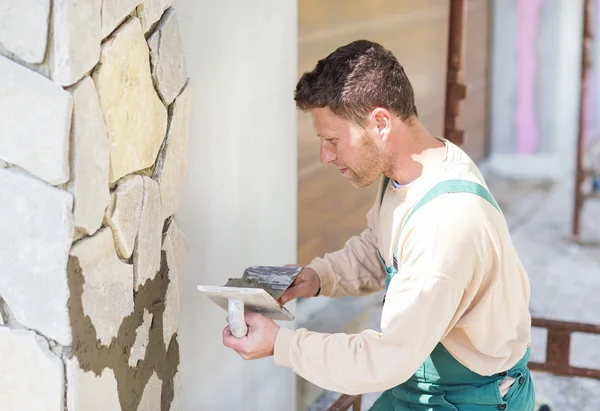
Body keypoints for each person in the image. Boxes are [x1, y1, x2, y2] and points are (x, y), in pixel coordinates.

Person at [222, 39, 535, 410]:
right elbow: (381, 246)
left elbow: (386, 359)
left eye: (332, 140)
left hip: (470, 399)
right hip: (419, 377)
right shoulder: (411, 170)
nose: (324, 157)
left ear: (380, 122)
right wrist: (319, 276)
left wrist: (282, 344)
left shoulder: (445, 225)